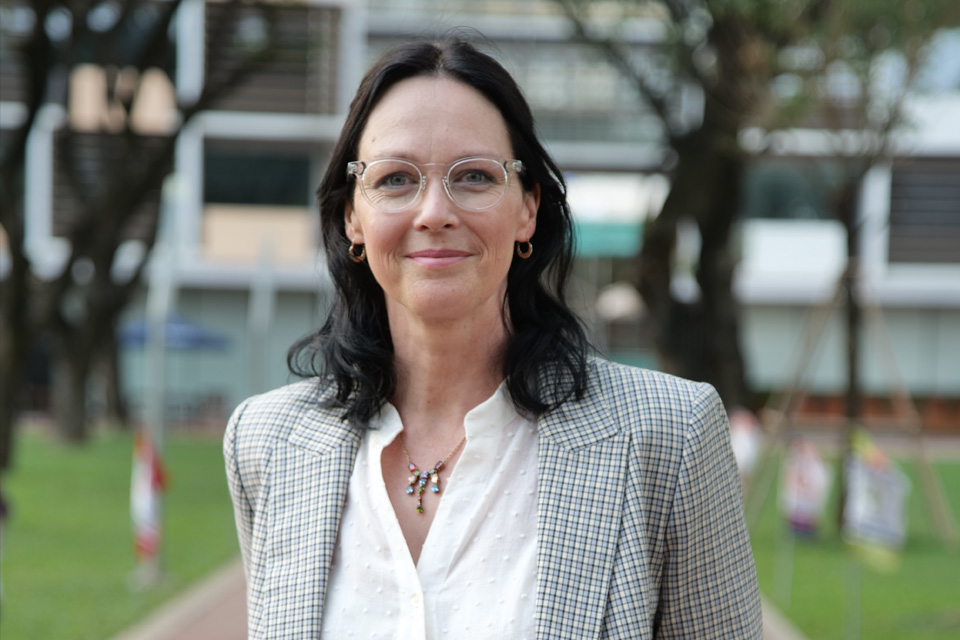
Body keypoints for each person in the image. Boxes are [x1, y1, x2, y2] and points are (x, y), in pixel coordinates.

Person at [224, 37, 762, 639]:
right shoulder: (267, 444)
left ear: (528, 206)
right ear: (353, 214)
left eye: (475, 176)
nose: (434, 211)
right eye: (396, 179)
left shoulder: (670, 437)